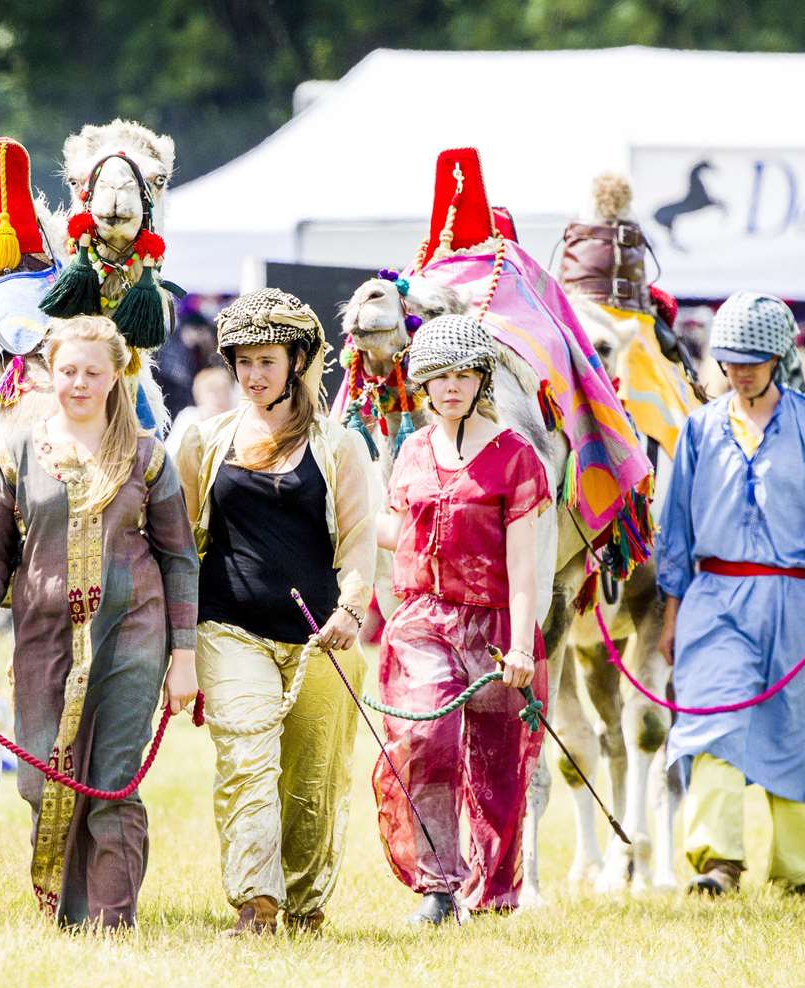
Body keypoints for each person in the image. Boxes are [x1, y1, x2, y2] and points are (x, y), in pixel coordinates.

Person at [0, 315, 199, 929]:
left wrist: (185, 658)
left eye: (93, 372)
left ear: (117, 376)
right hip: (44, 640)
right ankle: (72, 916)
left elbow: (179, 560)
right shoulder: (18, 456)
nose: (78, 383)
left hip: (133, 634)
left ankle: (112, 920)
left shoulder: (147, 458)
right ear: (49, 371)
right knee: (44, 781)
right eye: (67, 370)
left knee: (112, 780)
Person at [174, 288, 376, 936]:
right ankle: (254, 904)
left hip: (321, 638)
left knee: (313, 778)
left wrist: (352, 609)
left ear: (296, 360)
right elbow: (180, 544)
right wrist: (173, 641)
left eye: (266, 361)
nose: (252, 375)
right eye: (241, 362)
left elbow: (358, 541)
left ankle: (305, 904)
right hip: (227, 626)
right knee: (245, 759)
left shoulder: (340, 445)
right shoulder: (204, 440)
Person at [656, 292, 805, 898]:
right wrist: (671, 617)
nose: (742, 369)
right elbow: (678, 531)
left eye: (754, 358)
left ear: (778, 355)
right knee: (712, 719)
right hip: (714, 597)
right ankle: (716, 862)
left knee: (798, 731)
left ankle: (800, 871)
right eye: (731, 359)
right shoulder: (696, 430)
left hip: (800, 599)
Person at [372, 314, 549, 925]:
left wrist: (522, 646)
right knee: (429, 741)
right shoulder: (413, 449)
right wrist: (332, 513)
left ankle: (495, 894)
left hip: (498, 624)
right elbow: (393, 530)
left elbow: (523, 567)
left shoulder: (516, 457)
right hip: (423, 620)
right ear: (423, 383)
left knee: (498, 764)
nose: (451, 386)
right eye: (440, 376)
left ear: (481, 380)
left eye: (463, 375)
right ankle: (438, 887)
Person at [164, 365, 237, 461]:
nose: (220, 397)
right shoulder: (190, 417)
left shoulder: (237, 422)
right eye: (213, 391)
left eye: (225, 391)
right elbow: (169, 455)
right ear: (199, 396)